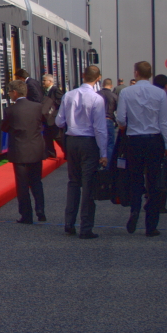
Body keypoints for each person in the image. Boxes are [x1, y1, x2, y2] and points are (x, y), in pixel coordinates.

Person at [115, 61, 167, 237]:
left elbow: (122, 120)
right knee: (154, 181)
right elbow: (165, 120)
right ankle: (151, 225)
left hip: (134, 141)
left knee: (135, 177)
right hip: (154, 140)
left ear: (136, 73)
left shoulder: (126, 92)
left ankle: (134, 209)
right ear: (150, 74)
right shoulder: (160, 93)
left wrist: (127, 126)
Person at [55, 65, 107, 239]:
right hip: (89, 142)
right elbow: (100, 128)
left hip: (71, 141)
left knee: (73, 182)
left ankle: (69, 223)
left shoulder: (68, 95)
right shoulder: (97, 99)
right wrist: (104, 152)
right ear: (98, 78)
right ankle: (86, 227)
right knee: (88, 185)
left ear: (83, 75)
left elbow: (59, 121)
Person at [2, 79, 47, 224]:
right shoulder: (37, 107)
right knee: (36, 181)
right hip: (35, 149)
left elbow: (4, 127)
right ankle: (40, 210)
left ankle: (26, 215)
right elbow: (43, 122)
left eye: (9, 92)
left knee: (22, 185)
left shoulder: (10, 110)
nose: (9, 95)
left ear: (15, 92)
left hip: (19, 151)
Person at [151, 74, 167, 215]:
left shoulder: (150, 98)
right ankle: (161, 203)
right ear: (166, 86)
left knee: (150, 169)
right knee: (165, 171)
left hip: (151, 139)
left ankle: (149, 196)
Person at [98, 78, 119, 163]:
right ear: (111, 85)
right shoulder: (114, 96)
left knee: (99, 142)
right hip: (109, 119)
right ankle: (108, 165)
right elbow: (118, 109)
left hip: (99, 121)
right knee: (110, 144)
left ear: (103, 84)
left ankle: (99, 163)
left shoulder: (97, 94)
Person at [41, 74, 61, 157]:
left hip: (53, 118)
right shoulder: (45, 91)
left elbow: (61, 101)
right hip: (46, 118)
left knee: (58, 137)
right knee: (47, 137)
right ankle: (51, 153)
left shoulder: (55, 90)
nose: (43, 82)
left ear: (50, 81)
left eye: (44, 80)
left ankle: (68, 153)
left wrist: (51, 104)